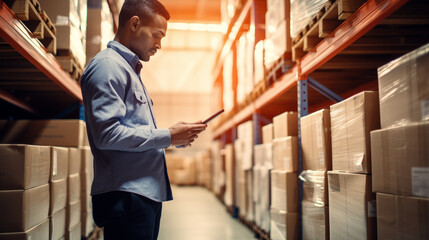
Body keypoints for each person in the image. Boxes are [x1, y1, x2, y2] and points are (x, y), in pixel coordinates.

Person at [80, 0, 207, 239]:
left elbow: (134, 131)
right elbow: (107, 134)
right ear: (135, 23)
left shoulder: (129, 70)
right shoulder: (108, 67)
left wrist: (174, 138)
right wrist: (167, 135)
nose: (159, 44)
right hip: (126, 198)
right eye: (157, 35)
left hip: (141, 195)